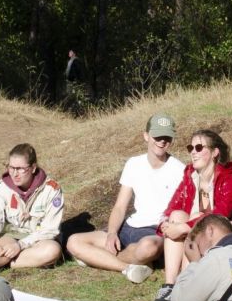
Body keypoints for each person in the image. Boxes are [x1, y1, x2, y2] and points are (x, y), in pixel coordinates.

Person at [66, 113, 185, 284]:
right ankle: (127, 267)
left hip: (153, 231)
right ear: (146, 136)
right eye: (157, 136)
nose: (161, 141)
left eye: (166, 137)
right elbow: (120, 206)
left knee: (148, 248)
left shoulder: (179, 169)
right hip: (129, 226)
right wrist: (112, 233)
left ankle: (98, 258)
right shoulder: (133, 164)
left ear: (172, 140)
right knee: (73, 242)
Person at [149, 129, 232, 301]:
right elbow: (175, 203)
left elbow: (220, 216)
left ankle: (187, 288)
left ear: (214, 152)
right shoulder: (190, 176)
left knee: (192, 219)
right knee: (177, 215)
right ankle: (170, 286)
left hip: (221, 236)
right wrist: (166, 223)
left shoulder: (229, 179)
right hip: (196, 234)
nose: (193, 152)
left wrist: (183, 228)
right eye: (191, 147)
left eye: (199, 147)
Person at [0, 143, 65, 272]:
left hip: (39, 239)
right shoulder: (2, 187)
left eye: (21, 168)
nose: (15, 174)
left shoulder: (51, 190)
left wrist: (20, 245)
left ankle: (4, 262)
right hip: (11, 235)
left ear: (33, 168)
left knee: (52, 251)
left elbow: (50, 230)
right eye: (11, 168)